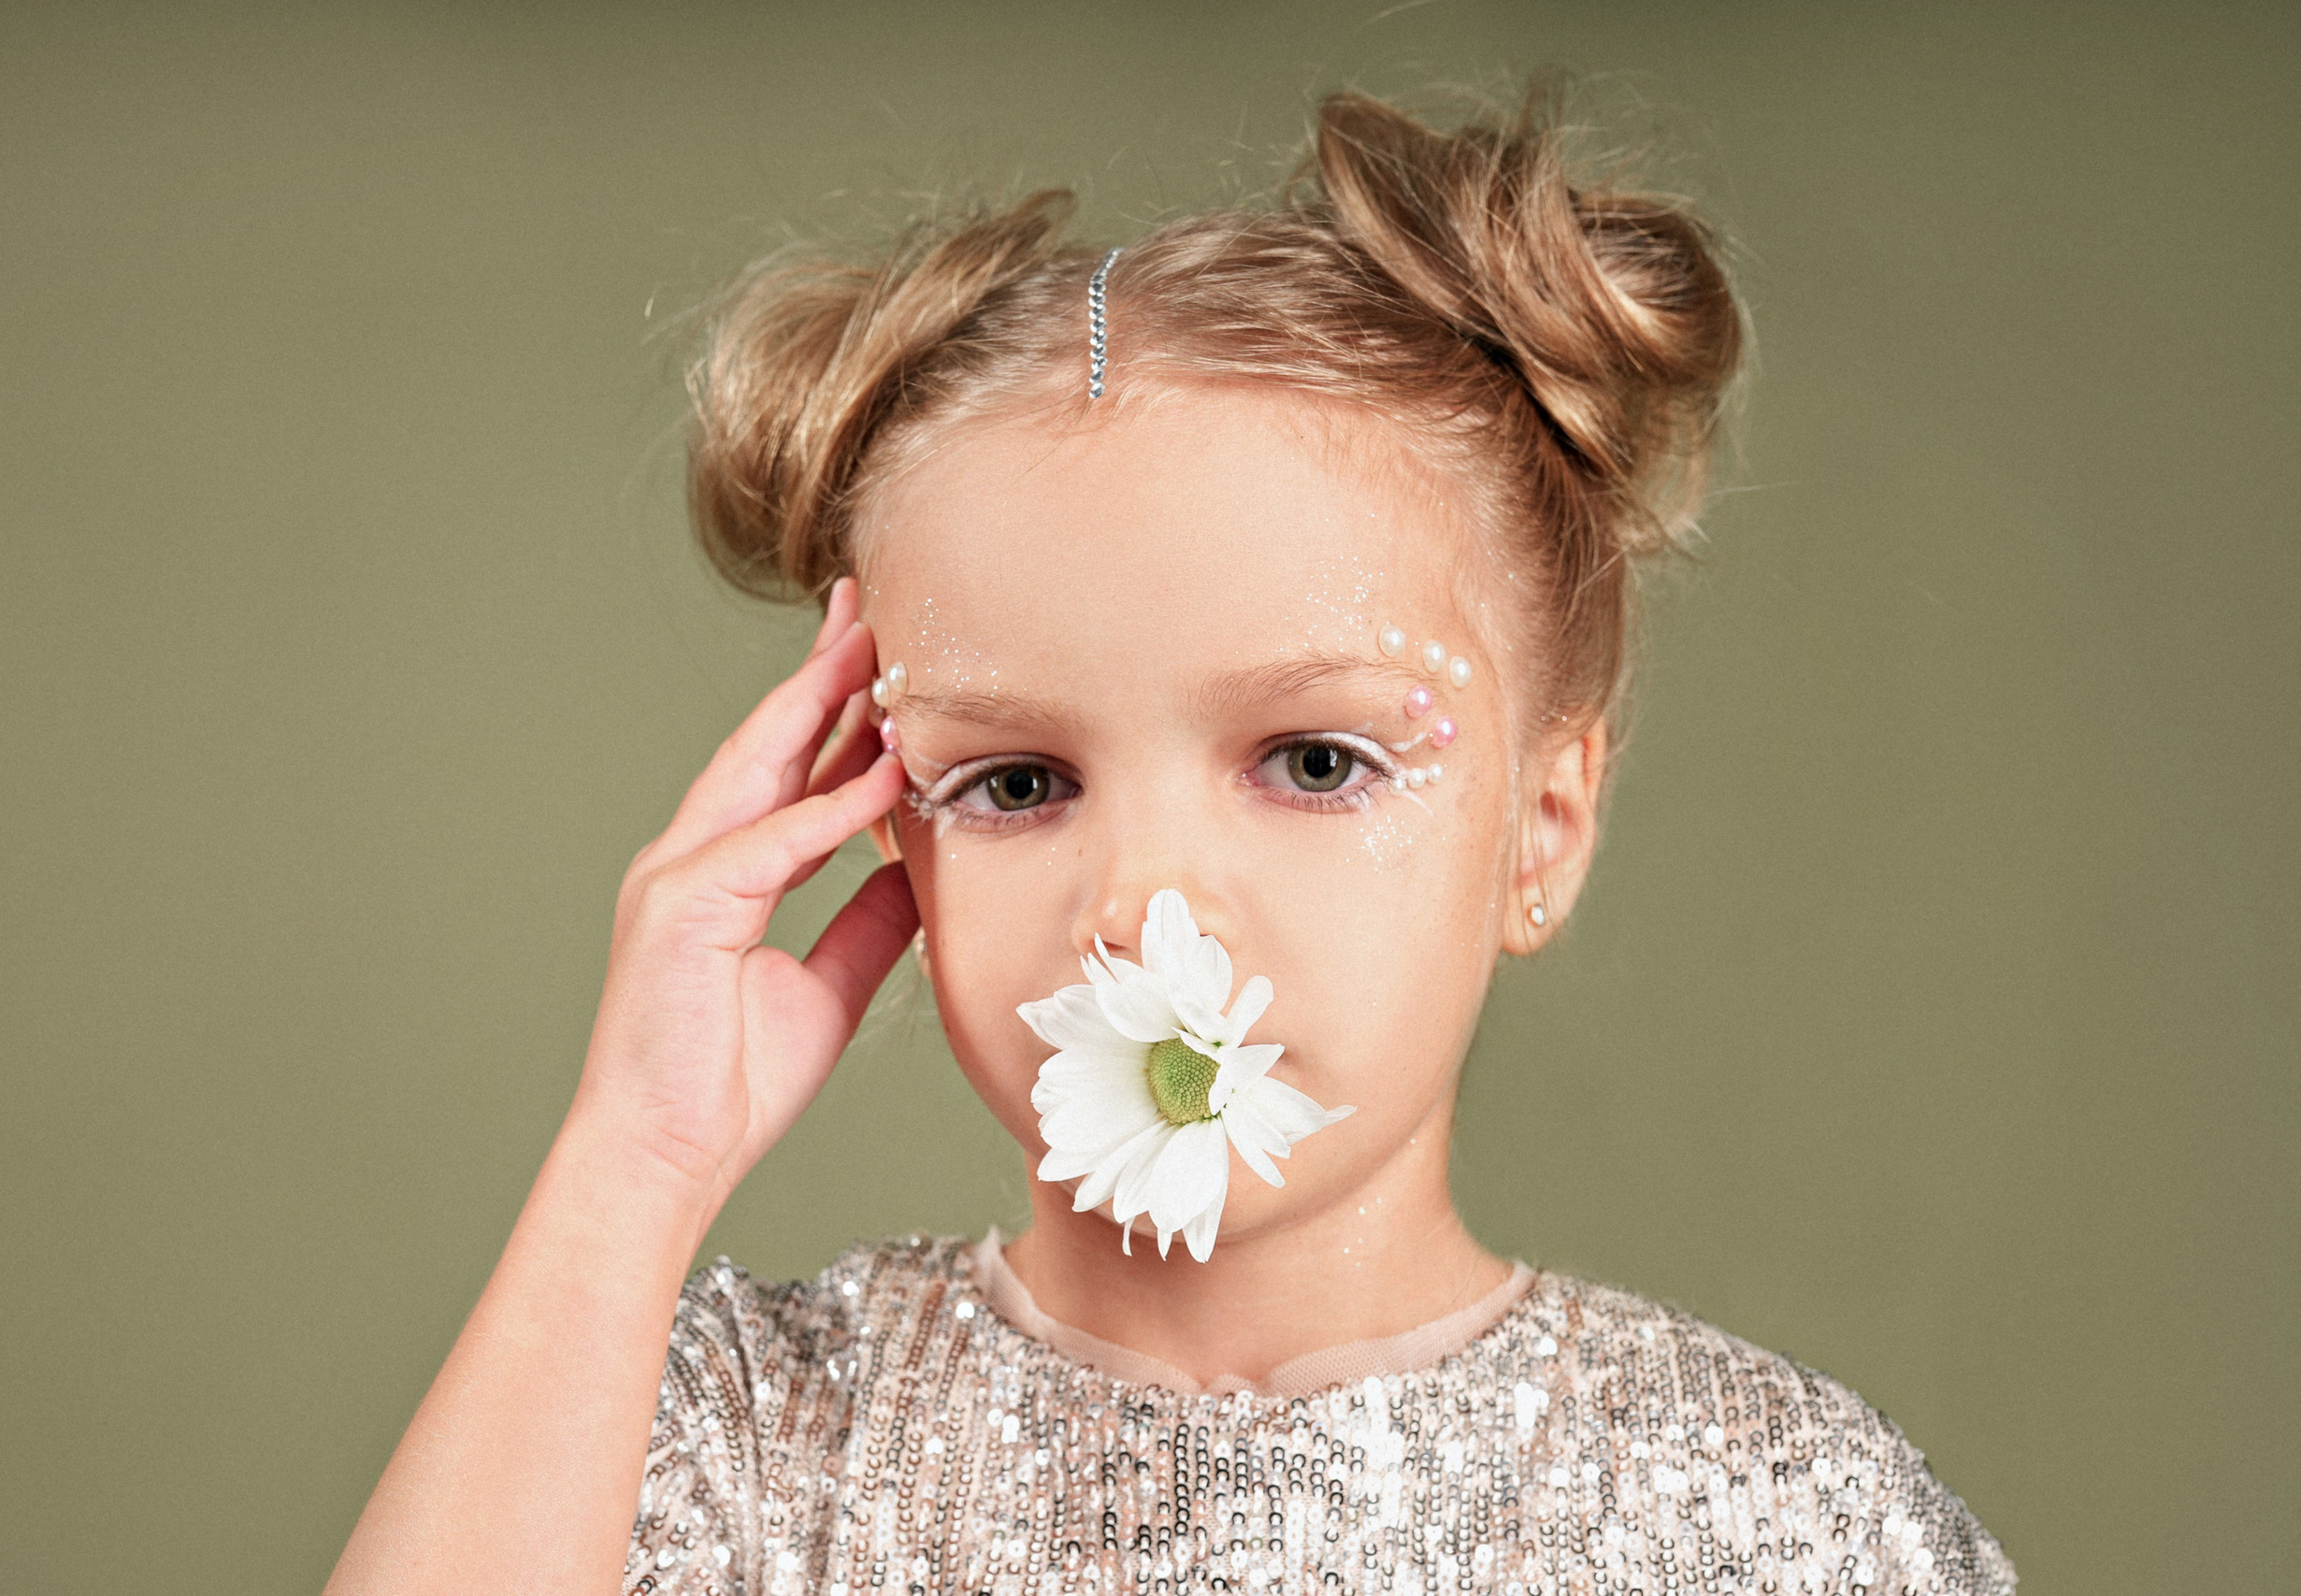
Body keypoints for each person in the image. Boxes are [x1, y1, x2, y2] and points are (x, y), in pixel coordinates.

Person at [326, 86, 2014, 1596]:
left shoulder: (1780, 1519)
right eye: (1015, 784)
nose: (1144, 907)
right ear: (894, 829)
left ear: (1543, 828)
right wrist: (633, 1165)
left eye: (1315, 760)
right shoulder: (714, 1441)